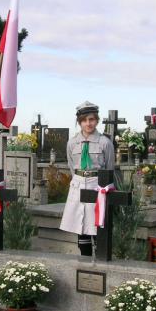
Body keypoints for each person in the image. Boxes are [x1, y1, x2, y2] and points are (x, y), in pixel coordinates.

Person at [59, 101, 116, 256]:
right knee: (80, 225)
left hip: (97, 186)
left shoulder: (105, 143)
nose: (88, 123)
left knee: (96, 225)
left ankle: (99, 260)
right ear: (79, 122)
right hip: (78, 186)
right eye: (84, 120)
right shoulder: (72, 143)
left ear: (97, 120)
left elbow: (110, 168)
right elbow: (72, 167)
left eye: (91, 119)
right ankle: (84, 259)